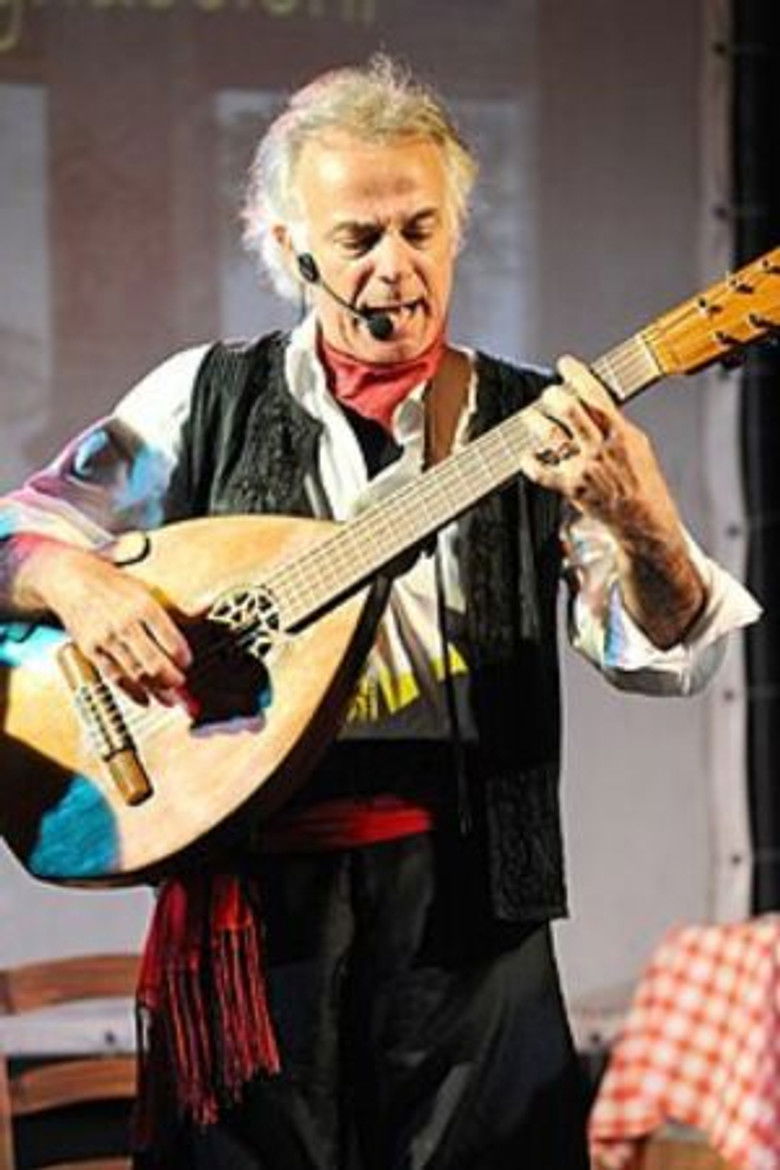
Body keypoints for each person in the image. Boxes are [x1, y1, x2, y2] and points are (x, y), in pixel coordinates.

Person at [0, 55, 759, 1170]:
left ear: (457, 231)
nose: (395, 267)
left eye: (421, 229)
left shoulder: (536, 421)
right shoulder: (200, 396)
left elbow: (662, 657)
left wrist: (641, 520)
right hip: (251, 917)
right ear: (291, 247)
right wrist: (81, 583)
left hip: (470, 915)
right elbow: (17, 535)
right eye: (358, 238)